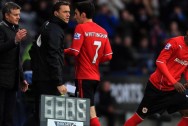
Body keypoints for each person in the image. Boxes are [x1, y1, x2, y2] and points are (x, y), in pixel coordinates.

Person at [64, 1, 113, 126]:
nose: (74, 17)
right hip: (95, 78)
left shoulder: (80, 28)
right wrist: (94, 61)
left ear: (83, 14)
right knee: (84, 105)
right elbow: (108, 56)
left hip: (83, 77)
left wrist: (59, 50)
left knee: (89, 112)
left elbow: (74, 51)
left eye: (76, 14)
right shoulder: (103, 31)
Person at [124, 33, 188, 126]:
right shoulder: (174, 42)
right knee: (139, 117)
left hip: (173, 90)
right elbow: (160, 62)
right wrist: (174, 82)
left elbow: (186, 66)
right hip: (157, 88)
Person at [29, 1, 70, 125]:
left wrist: (37, 68)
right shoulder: (55, 31)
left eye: (69, 12)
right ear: (56, 13)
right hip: (48, 81)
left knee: (39, 115)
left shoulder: (47, 24)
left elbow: (33, 50)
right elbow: (53, 57)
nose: (68, 14)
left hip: (40, 77)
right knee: (47, 117)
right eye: (65, 12)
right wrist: (58, 81)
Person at [0, 2, 29, 126]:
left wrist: (21, 78)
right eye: (15, 14)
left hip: (12, 82)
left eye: (19, 14)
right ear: (7, 16)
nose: (18, 17)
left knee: (9, 118)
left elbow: (16, 58)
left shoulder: (15, 29)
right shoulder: (1, 29)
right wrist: (15, 41)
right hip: (1, 81)